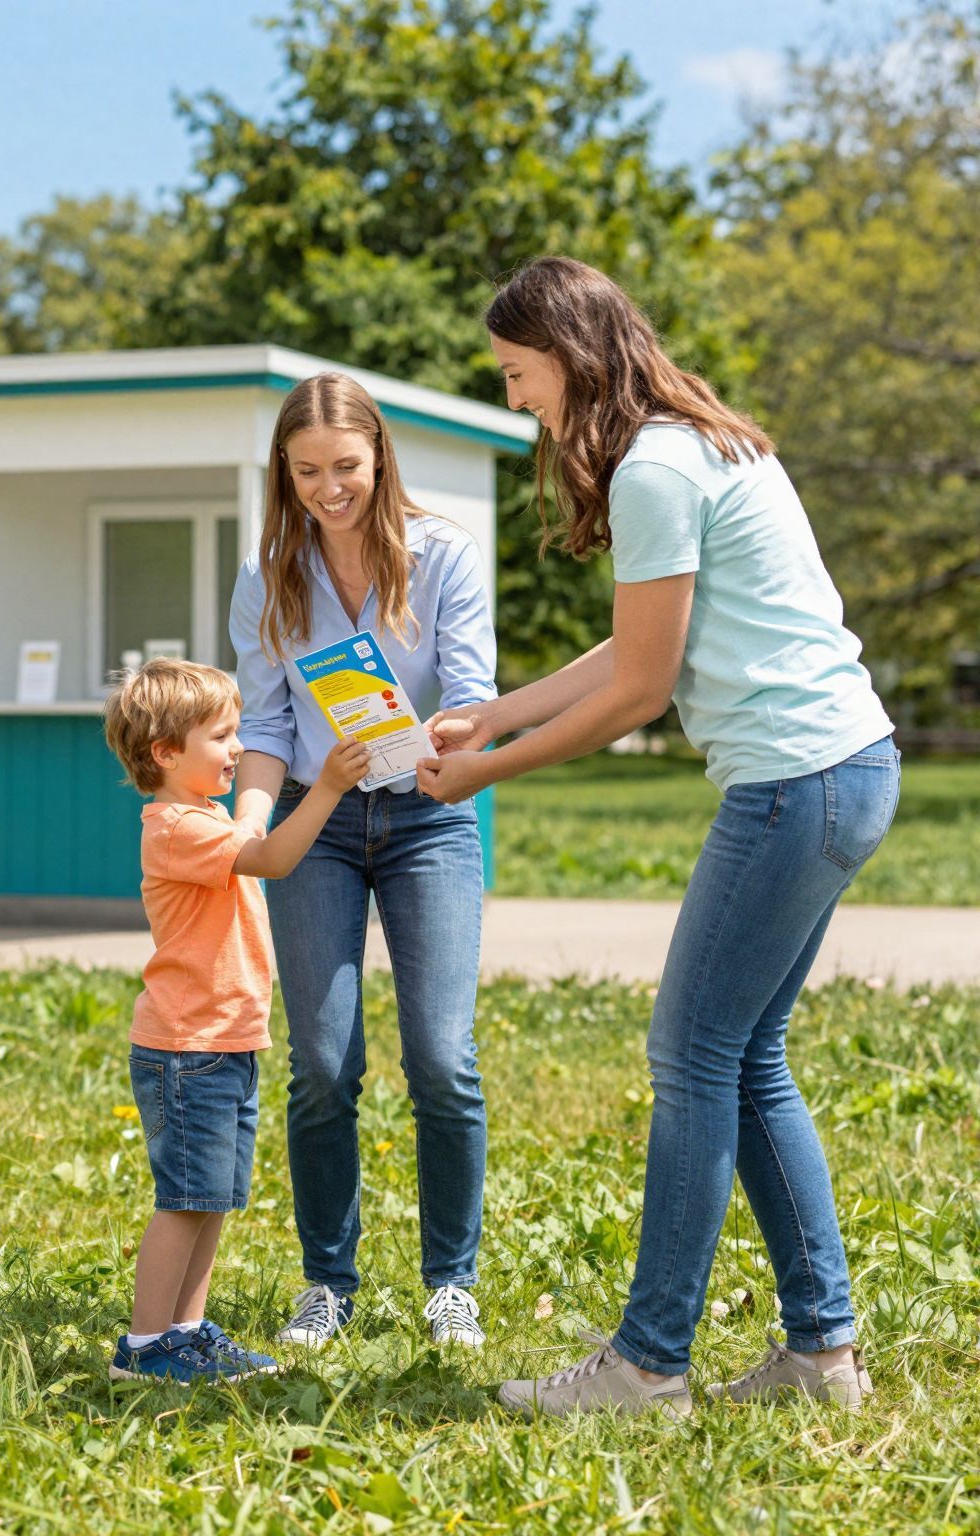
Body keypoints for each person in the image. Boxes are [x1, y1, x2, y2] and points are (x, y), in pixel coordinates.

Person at [419, 255, 898, 1417]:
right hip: (850, 767)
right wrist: (502, 707)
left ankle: (645, 1367)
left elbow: (639, 692)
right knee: (744, 1060)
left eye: (517, 374)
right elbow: (651, 641)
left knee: (692, 1058)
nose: (515, 398)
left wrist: (481, 770)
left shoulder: (651, 469)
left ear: (569, 359)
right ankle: (819, 1357)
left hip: (792, 785)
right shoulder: (708, 441)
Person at [228, 372, 499, 1351]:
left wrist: (418, 744)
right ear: (284, 472)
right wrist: (249, 823)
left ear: (377, 455)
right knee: (322, 1067)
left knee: (440, 1058)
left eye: (343, 465)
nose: (326, 487)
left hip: (426, 814)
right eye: (305, 471)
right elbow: (261, 724)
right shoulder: (267, 574)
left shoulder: (442, 558)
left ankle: (449, 1284)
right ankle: (326, 1285)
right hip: (316, 821)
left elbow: (471, 697)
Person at [102, 657, 370, 1382]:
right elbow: (276, 857)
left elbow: (251, 824)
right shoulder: (176, 828)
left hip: (224, 1043)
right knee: (185, 1202)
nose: (236, 750)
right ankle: (145, 1344)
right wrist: (329, 788)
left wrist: (266, 787)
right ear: (165, 753)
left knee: (211, 1199)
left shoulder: (205, 817)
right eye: (222, 737)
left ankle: (185, 1331)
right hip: (189, 1049)